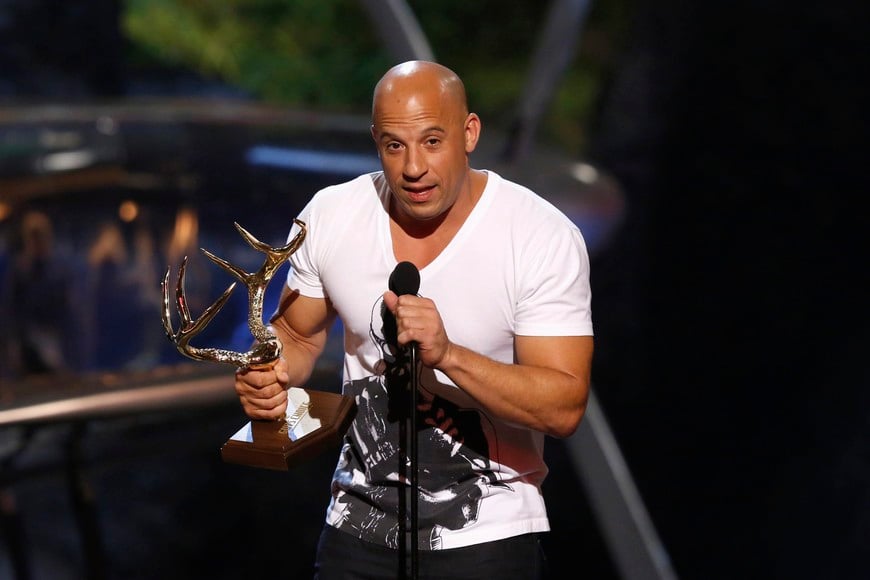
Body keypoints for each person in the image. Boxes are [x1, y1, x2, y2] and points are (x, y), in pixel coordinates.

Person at [234, 60, 594, 579]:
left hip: (488, 536)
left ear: (469, 134)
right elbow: (295, 334)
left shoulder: (539, 236)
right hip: (355, 528)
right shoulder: (332, 215)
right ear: (376, 142)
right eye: (394, 146)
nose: (413, 168)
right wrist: (273, 377)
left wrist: (447, 356)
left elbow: (564, 405)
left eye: (431, 141)